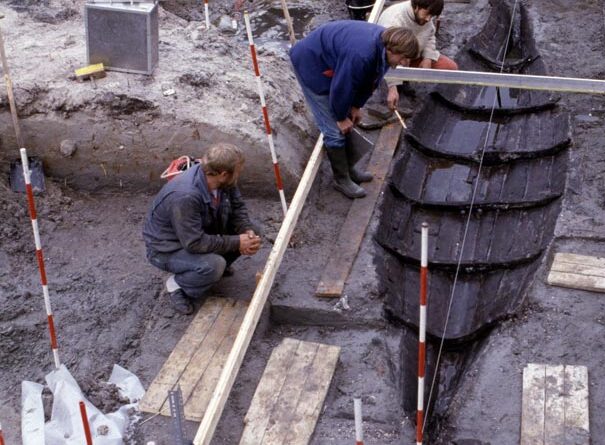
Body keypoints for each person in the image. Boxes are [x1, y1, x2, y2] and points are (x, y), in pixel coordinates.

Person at [290, 22, 419, 199]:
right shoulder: (361, 54)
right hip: (311, 63)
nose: (405, 63)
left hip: (332, 59)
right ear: (392, 50)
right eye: (403, 58)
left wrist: (356, 106)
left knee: (346, 113)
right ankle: (341, 179)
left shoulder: (383, 49)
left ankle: (349, 169)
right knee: (334, 130)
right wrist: (341, 117)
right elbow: (341, 88)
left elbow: (370, 80)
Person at [142, 143, 263, 315]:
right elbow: (194, 243)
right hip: (167, 249)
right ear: (223, 174)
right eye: (238, 170)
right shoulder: (185, 196)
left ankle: (208, 271)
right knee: (213, 266)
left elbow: (237, 207)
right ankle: (178, 285)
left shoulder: (225, 181)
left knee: (254, 232)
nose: (239, 174)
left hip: (197, 234)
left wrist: (246, 230)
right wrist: (236, 242)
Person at [377, 0, 458, 110]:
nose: (429, 19)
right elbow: (385, 57)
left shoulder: (425, 17)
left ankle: (405, 81)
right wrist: (392, 86)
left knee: (450, 68)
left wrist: (427, 58)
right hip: (390, 62)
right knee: (391, 89)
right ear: (416, 7)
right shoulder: (394, 21)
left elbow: (430, 35)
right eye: (427, 14)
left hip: (411, 56)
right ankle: (393, 85)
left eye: (432, 15)